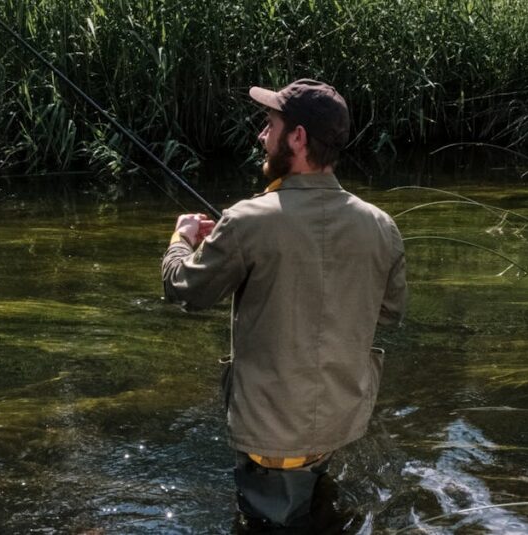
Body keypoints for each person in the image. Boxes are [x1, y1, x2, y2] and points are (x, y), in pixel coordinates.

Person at [161, 79, 407, 530]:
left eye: (269, 124)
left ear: (297, 137)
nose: (261, 135)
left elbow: (184, 289)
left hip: (273, 436)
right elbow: (389, 313)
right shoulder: (381, 226)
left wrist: (182, 239)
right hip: (338, 422)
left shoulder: (247, 221)